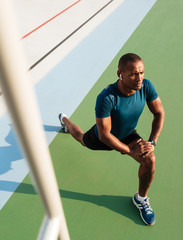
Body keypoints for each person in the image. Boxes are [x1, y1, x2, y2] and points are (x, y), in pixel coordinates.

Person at [58, 53, 165, 226]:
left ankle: (141, 199)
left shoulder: (146, 86)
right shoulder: (106, 97)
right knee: (80, 138)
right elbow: (104, 135)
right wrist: (130, 150)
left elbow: (159, 113)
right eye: (133, 74)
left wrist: (151, 142)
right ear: (120, 74)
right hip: (102, 137)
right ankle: (65, 121)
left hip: (128, 134)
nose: (139, 78)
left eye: (141, 73)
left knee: (150, 159)